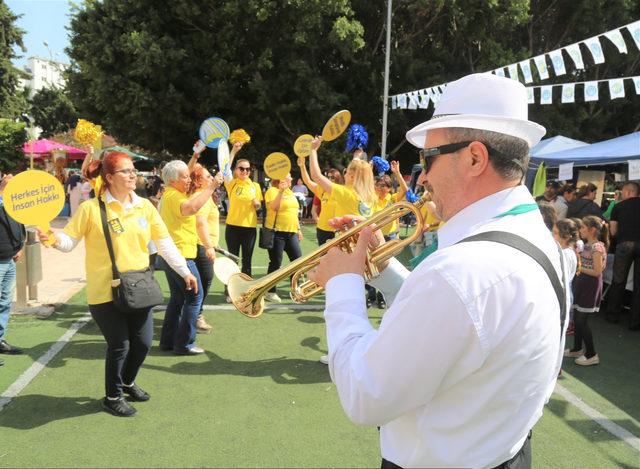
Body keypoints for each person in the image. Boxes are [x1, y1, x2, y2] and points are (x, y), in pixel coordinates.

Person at [308, 73, 568, 467]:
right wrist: (379, 268)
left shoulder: (462, 271)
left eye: (428, 159)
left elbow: (364, 395)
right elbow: (463, 321)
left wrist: (343, 283)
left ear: (475, 158)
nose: (423, 176)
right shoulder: (533, 233)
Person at [38, 152, 197, 417]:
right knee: (120, 345)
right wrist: (52, 238)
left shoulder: (145, 206)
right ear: (109, 177)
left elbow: (164, 242)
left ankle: (127, 382)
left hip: (139, 286)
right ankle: (112, 397)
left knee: (144, 343)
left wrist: (184, 271)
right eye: (126, 171)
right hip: (104, 291)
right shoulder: (91, 208)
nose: (133, 175)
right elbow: (68, 242)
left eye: (133, 170)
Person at [158, 160, 220, 355]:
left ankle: (168, 341)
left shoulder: (171, 194)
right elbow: (191, 208)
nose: (188, 179)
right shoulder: (174, 196)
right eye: (184, 176)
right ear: (173, 180)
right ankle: (185, 343)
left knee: (177, 299)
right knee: (195, 297)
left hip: (175, 254)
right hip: (181, 255)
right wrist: (212, 186)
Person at [564, 215, 608, 366]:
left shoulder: (597, 247)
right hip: (582, 285)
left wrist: (579, 267)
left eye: (583, 227)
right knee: (577, 319)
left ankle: (591, 354)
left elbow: (597, 272)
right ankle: (577, 348)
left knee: (582, 321)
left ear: (592, 230)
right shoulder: (585, 245)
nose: (580, 230)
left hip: (590, 287)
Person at [223, 144, 262, 301]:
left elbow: (258, 204)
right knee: (232, 260)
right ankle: (229, 291)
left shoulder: (255, 186)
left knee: (247, 261)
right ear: (236, 170)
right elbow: (225, 168)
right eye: (241, 168)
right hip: (232, 227)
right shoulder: (232, 183)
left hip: (249, 228)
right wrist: (233, 151)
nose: (245, 171)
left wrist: (257, 204)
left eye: (247, 169)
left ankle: (246, 291)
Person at [188, 163, 224, 333]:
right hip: (200, 246)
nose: (211, 177)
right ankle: (196, 315)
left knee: (202, 282)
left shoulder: (205, 194)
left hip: (204, 244)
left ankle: (193, 314)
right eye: (207, 176)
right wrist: (209, 246)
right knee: (203, 282)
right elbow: (200, 223)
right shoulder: (200, 195)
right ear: (198, 180)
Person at [605, 181, 640, 329]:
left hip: (624, 244)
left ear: (627, 192)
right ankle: (635, 322)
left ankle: (612, 316)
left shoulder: (618, 207)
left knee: (618, 281)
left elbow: (613, 232)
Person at [263, 173, 303, 303]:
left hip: (292, 233)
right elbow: (273, 207)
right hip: (277, 232)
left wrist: (298, 229)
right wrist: (280, 191)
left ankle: (294, 288)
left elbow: (294, 212)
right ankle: (270, 291)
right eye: (289, 176)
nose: (291, 178)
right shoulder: (272, 191)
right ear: (280, 179)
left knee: (297, 260)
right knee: (276, 262)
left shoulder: (291, 192)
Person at [0, 175, 25, 364]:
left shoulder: (12, 200)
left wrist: (20, 245)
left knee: (5, 302)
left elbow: (20, 221)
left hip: (9, 258)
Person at [298, 157, 343, 245]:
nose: (329, 179)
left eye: (332, 177)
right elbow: (307, 181)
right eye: (328, 177)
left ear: (338, 178)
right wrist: (302, 166)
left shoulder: (342, 191)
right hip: (322, 230)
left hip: (338, 231)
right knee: (323, 257)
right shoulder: (322, 190)